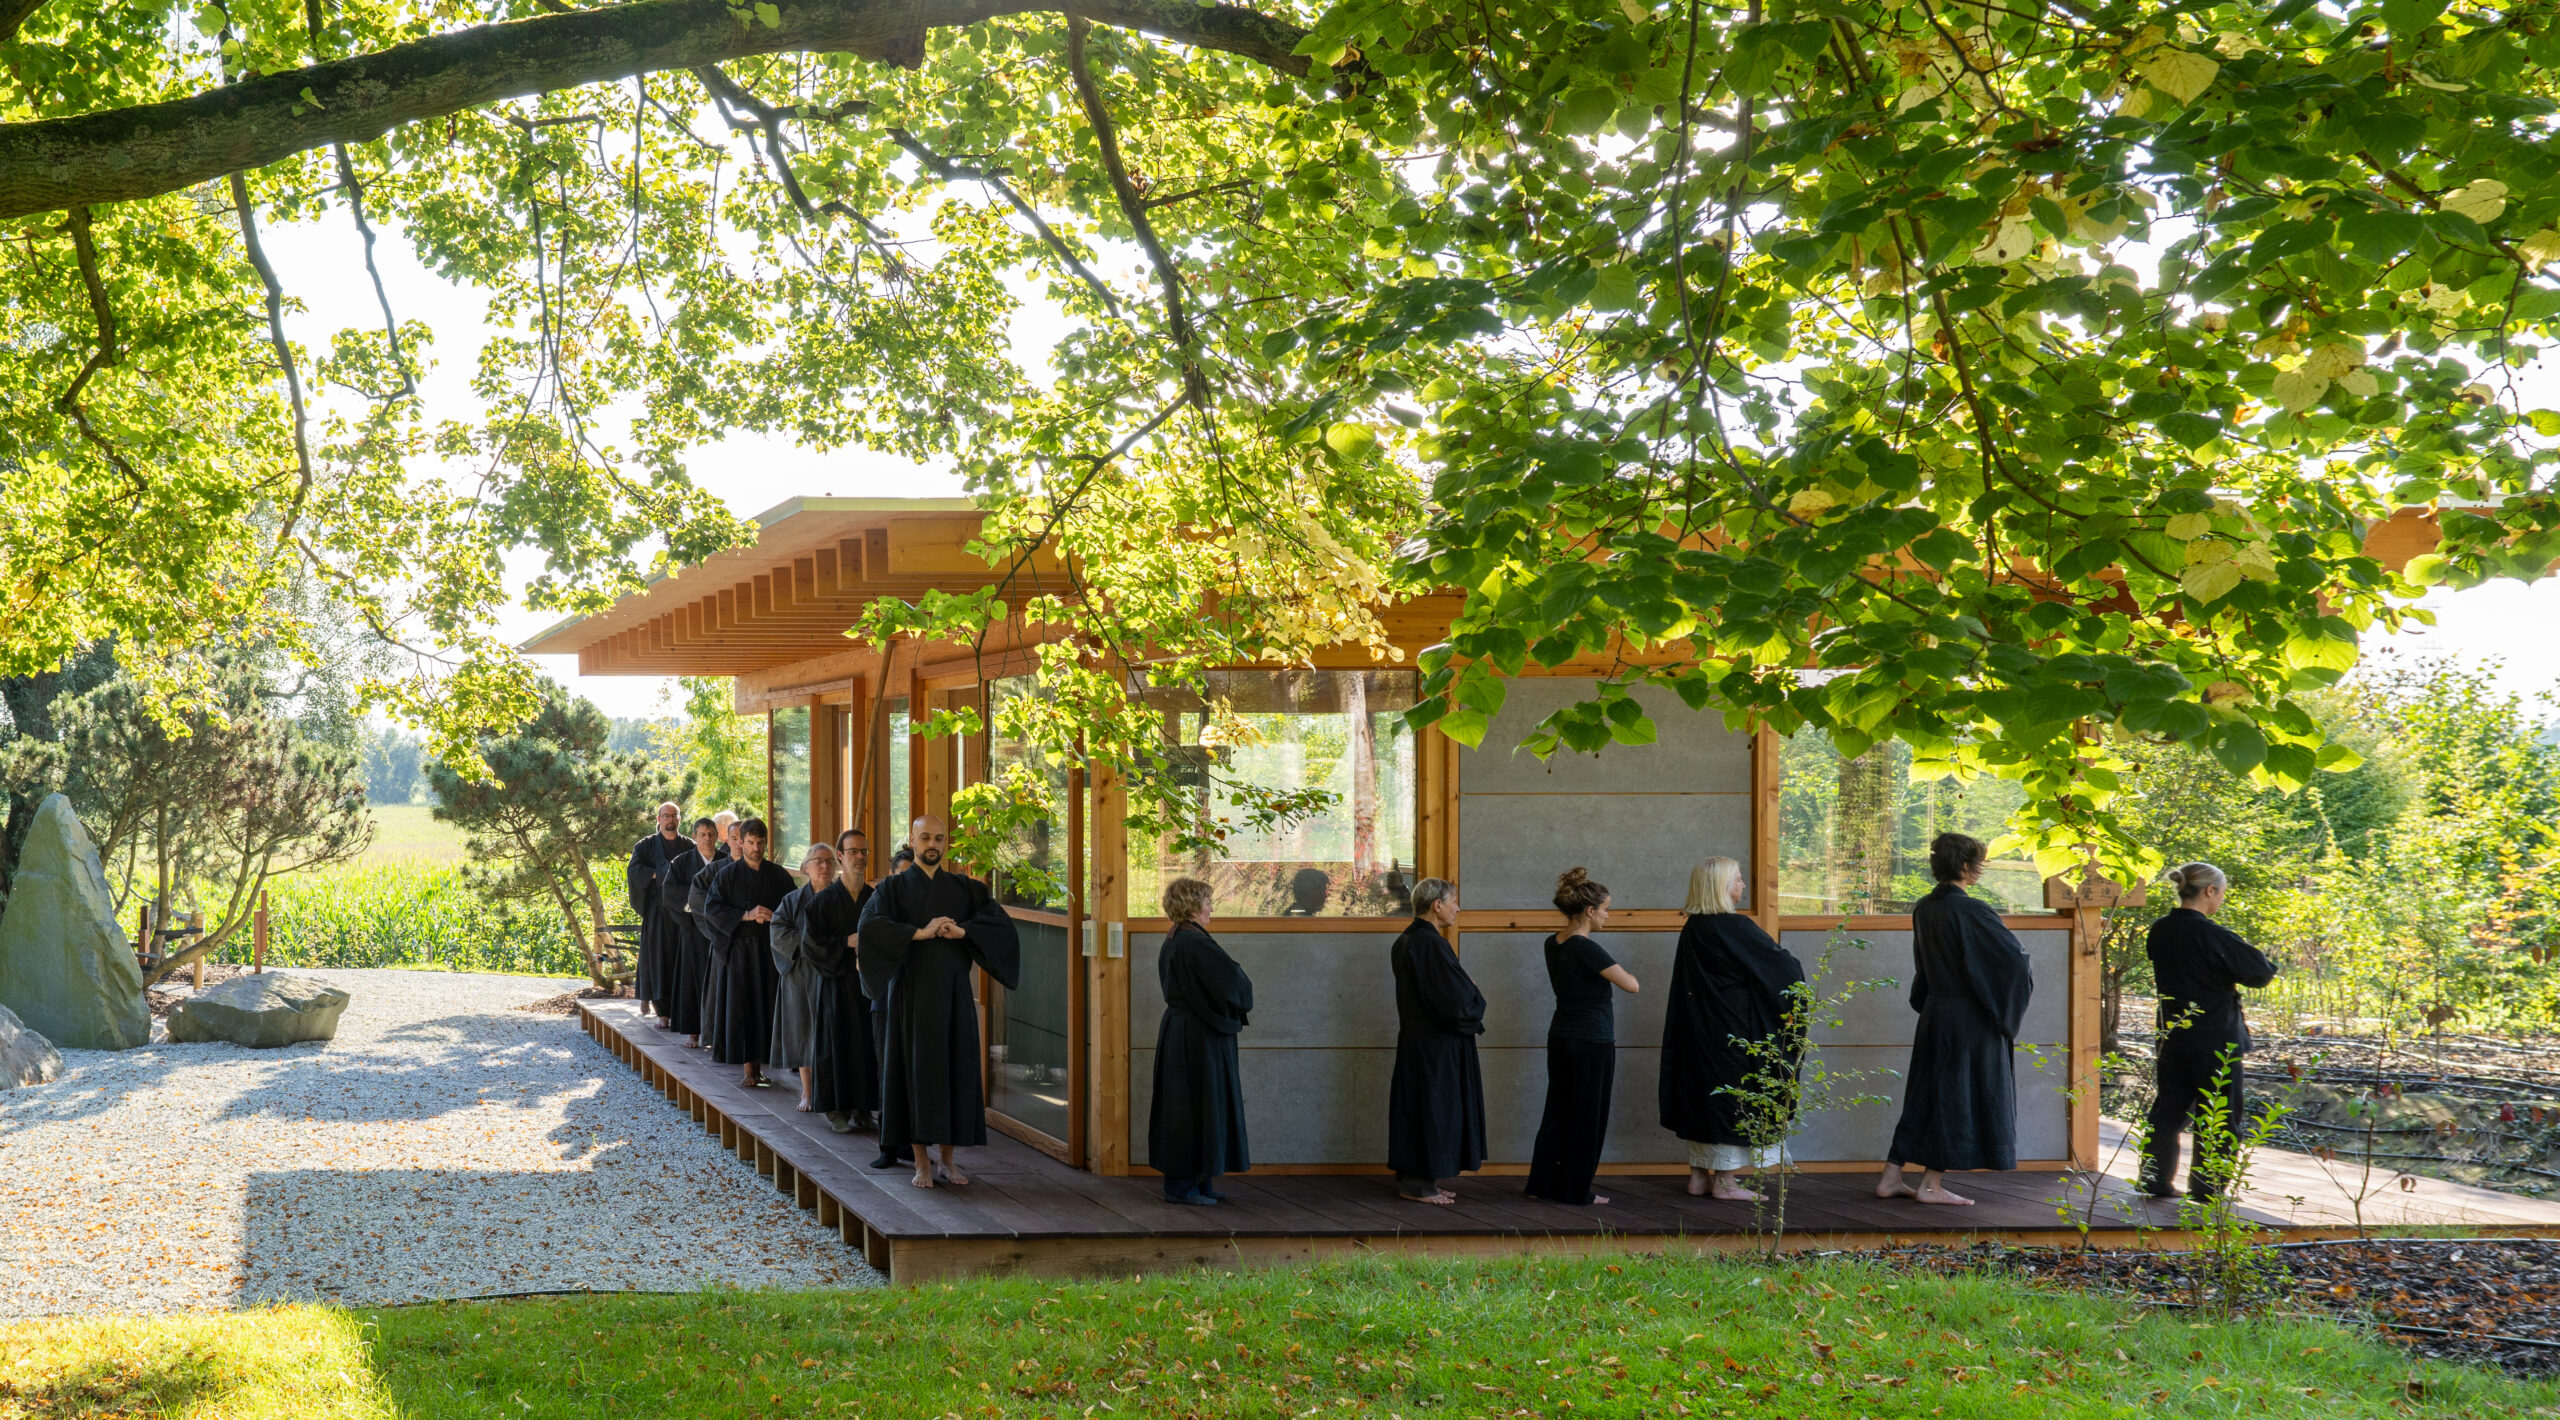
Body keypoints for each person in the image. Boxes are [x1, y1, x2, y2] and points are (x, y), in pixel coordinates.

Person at [856, 814, 1022, 1189]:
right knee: (915, 1075)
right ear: (912, 840)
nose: (933, 845)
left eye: (939, 839)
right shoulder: (892, 890)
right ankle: (921, 1163)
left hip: (954, 996)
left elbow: (1000, 926)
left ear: (946, 844)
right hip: (911, 996)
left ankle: (948, 1160)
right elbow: (870, 929)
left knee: (954, 1074)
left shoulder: (965, 889)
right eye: (925, 837)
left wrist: (964, 931)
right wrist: (919, 932)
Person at [1877, 832, 2035, 1207]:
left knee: (1924, 1093)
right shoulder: (1971, 910)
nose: (1980, 869)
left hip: (1936, 1012)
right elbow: (2014, 961)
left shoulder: (1925, 907)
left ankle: (1890, 1177)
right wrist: (1999, 1011)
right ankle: (1930, 1185)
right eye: (1978, 862)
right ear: (1965, 866)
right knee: (1953, 1094)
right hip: (1967, 1019)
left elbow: (1925, 965)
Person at [1660, 856, 1805, 1201]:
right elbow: (1785, 969)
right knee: (1732, 1097)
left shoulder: (1694, 928)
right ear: (1721, 887)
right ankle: (1725, 1182)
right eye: (1738, 880)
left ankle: (1698, 1178)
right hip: (1733, 1032)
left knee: (1704, 1097)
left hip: (1698, 1032)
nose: (1742, 886)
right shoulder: (1733, 927)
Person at [2141, 861, 2278, 1200]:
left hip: (2173, 1032)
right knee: (2219, 1114)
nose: (2221, 901)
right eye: (2221, 893)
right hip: (2216, 1036)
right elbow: (2260, 972)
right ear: (2209, 891)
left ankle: (2155, 1179)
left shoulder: (2161, 930)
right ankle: (2208, 1190)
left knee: (2169, 1109)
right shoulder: (2212, 934)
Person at [1522, 868, 1640, 1207]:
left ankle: (1541, 1183)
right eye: (1605, 909)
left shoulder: (1553, 943)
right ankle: (1576, 1190)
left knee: (1559, 1110)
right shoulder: (1586, 948)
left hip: (1561, 1036)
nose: (1608, 916)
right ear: (1590, 911)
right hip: (1592, 1040)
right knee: (1589, 1114)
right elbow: (1632, 985)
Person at [1147, 876, 1253, 1206]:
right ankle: (1182, 1186)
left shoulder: (1178, 938)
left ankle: (1199, 1179)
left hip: (1185, 1031)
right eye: (1207, 901)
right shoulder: (1194, 944)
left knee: (1195, 1103)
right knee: (1192, 1105)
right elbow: (1233, 984)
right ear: (1192, 907)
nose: (1211, 907)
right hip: (1197, 1036)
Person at [1385, 877, 1484, 1205]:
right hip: (1434, 1045)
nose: (1458, 908)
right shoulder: (1429, 943)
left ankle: (1420, 1179)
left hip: (1419, 1040)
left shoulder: (1409, 939)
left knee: (1421, 1106)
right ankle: (1418, 1185)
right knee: (1432, 1107)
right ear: (1436, 905)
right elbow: (1454, 1000)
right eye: (1453, 901)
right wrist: (1471, 989)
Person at [703, 817, 795, 1089]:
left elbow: (794, 908)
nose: (756, 848)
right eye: (751, 843)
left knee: (767, 1007)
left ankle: (767, 1062)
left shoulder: (778, 875)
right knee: (743, 1008)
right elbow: (712, 910)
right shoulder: (727, 875)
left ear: (767, 843)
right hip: (740, 953)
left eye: (761, 843)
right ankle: (749, 1068)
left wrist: (775, 916)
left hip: (770, 952)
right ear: (740, 842)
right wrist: (746, 915)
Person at [806, 830, 880, 1134]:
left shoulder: (875, 899)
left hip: (868, 984)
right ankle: (836, 1110)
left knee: (867, 1045)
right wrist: (845, 942)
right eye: (853, 852)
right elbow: (811, 947)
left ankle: (864, 1107)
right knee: (837, 1044)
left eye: (864, 851)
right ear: (840, 856)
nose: (859, 857)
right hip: (836, 984)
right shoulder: (822, 902)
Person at [767, 843, 836, 1110]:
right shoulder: (793, 900)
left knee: (833, 1032)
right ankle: (807, 1091)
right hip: (801, 973)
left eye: (829, 861)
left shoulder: (842, 897)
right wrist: (812, 945)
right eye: (817, 861)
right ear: (806, 867)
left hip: (834, 974)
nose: (823, 866)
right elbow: (778, 929)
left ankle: (834, 1093)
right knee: (803, 1030)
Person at [625, 802, 687, 1023]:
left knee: (680, 959)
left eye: (674, 816)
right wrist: (656, 875)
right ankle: (662, 1010)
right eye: (666, 816)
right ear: (658, 819)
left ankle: (676, 1007)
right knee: (658, 958)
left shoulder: (689, 845)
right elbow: (633, 870)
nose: (670, 820)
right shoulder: (646, 845)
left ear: (679, 819)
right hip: (658, 912)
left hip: (682, 912)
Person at [660, 817, 720, 1044]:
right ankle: (694, 1032)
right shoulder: (681, 863)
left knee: (718, 980)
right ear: (694, 837)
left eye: (712, 834)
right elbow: (670, 893)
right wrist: (697, 906)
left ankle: (717, 1032)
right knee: (693, 979)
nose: (707, 839)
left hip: (719, 930)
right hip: (693, 929)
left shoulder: (726, 861)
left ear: (717, 836)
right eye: (702, 834)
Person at [689, 810, 739, 1051]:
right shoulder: (715, 870)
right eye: (735, 838)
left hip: (757, 947)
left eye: (745, 839)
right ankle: (720, 1040)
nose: (739, 843)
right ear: (727, 841)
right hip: (724, 942)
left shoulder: (770, 873)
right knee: (721, 995)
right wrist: (724, 927)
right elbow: (699, 900)